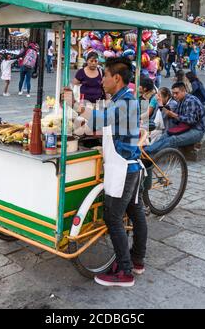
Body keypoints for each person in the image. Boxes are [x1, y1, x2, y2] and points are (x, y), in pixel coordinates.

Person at [64, 57, 147, 287]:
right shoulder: (123, 99)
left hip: (124, 169)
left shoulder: (124, 103)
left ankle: (124, 271)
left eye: (106, 76)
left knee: (112, 217)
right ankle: (137, 260)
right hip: (129, 166)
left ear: (117, 78)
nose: (102, 81)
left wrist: (74, 104)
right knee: (136, 212)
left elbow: (101, 120)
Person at [145, 82, 205, 155]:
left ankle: (148, 152)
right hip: (185, 127)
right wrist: (168, 112)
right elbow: (177, 120)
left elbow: (191, 120)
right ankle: (148, 152)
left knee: (172, 139)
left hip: (197, 130)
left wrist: (174, 115)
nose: (174, 95)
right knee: (165, 135)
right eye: (173, 93)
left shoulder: (191, 100)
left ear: (184, 91)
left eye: (176, 93)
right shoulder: (180, 101)